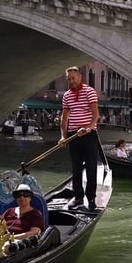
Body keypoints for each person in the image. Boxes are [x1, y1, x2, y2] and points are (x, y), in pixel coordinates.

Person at [58, 66, 100, 211]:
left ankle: (91, 198)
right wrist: (63, 136)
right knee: (76, 168)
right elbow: (64, 119)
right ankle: (78, 197)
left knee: (91, 167)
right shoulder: (67, 95)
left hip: (89, 135)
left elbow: (96, 115)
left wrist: (88, 128)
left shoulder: (90, 91)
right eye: (69, 79)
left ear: (80, 77)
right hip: (73, 135)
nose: (71, 81)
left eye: (73, 78)